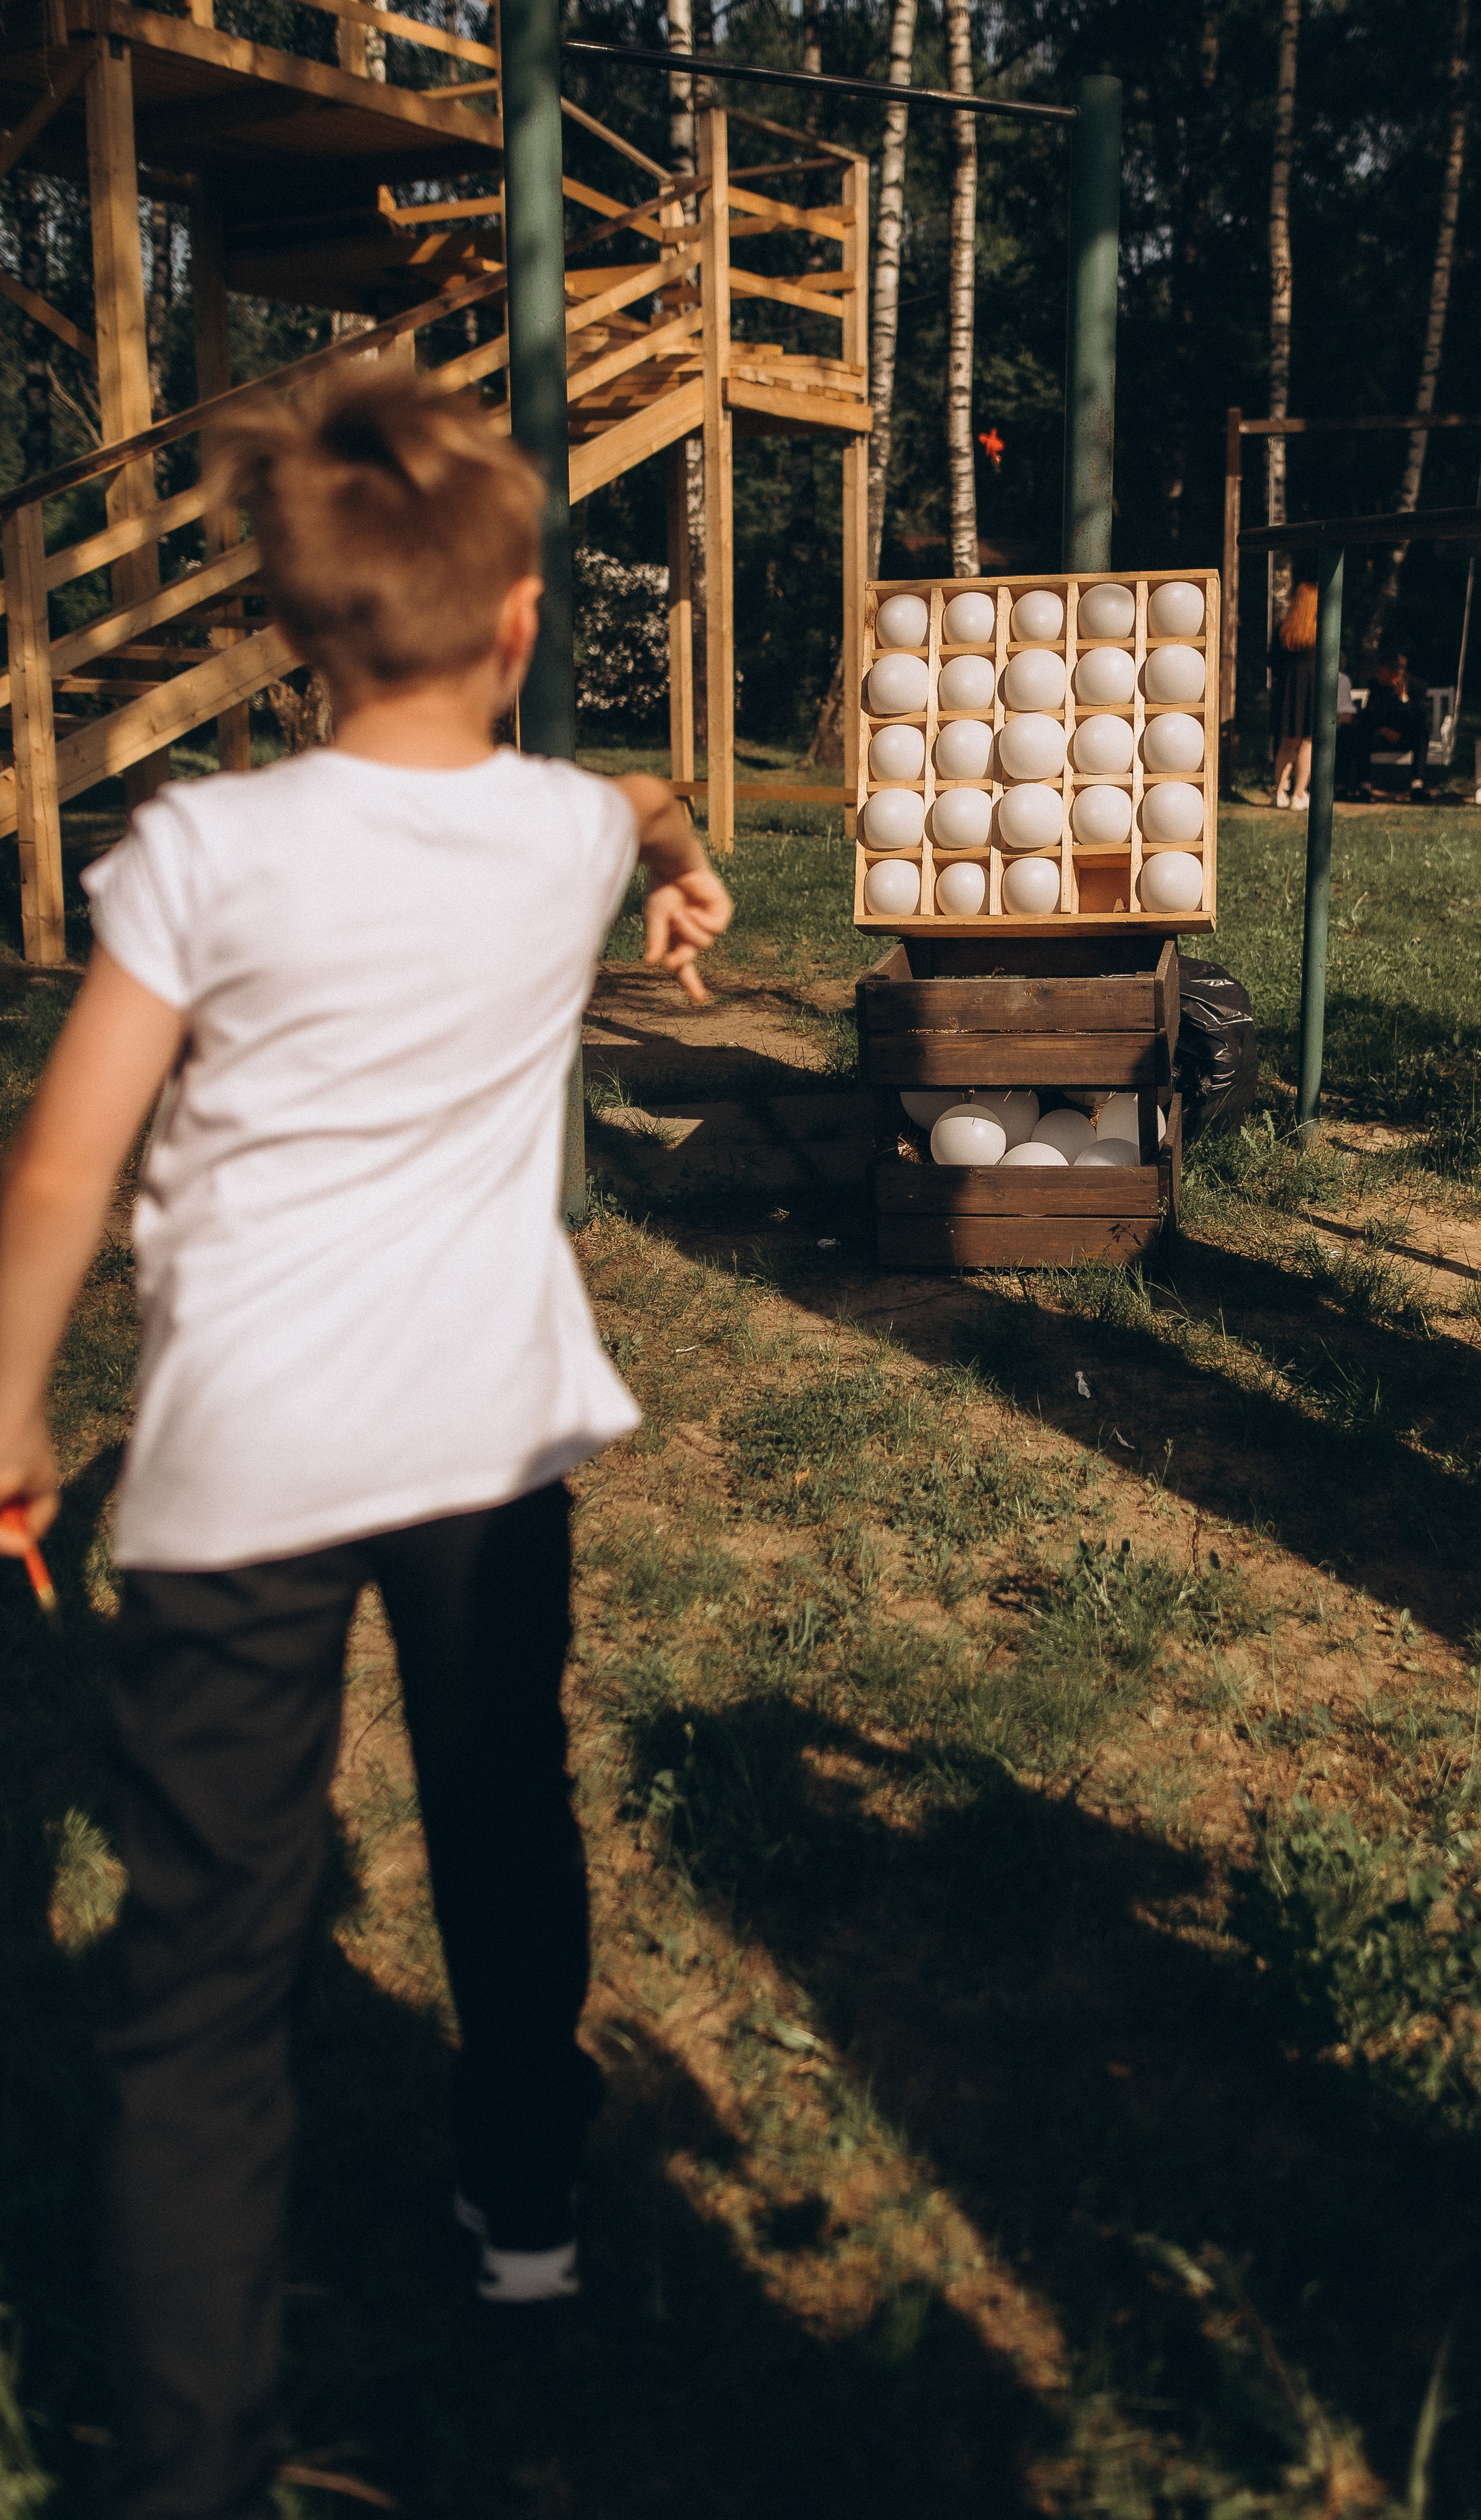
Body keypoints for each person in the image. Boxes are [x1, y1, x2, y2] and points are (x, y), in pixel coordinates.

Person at [0, 371, 733, 2520]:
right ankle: (527, 2219)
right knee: (505, 1820)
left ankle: (192, 2469)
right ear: (514, 616)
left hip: (241, 1467)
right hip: (487, 1442)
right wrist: (681, 883)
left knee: (202, 1975)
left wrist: (16, 1409)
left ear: (298, 628)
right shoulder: (567, 831)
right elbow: (655, 798)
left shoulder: (201, 849)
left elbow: (60, 1176)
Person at [1340, 652, 1435, 800]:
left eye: (1380, 671)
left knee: (1422, 734)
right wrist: (1383, 730)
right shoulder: (1376, 686)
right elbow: (1370, 715)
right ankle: (1365, 786)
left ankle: (1417, 784)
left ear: (1393, 673)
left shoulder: (1416, 686)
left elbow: (1419, 718)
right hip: (1382, 736)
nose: (1376, 675)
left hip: (1405, 737)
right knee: (1357, 734)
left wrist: (1404, 699)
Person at [1269, 579, 1317, 811]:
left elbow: (1273, 663)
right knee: (1307, 742)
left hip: (1287, 691)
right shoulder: (1319, 633)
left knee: (1287, 743)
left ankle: (1279, 792)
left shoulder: (1283, 630)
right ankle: (1298, 795)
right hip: (1310, 691)